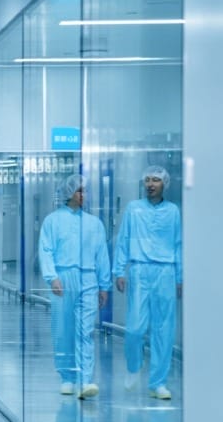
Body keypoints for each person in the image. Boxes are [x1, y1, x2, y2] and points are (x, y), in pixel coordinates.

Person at [38, 174, 111, 399]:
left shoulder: (94, 224)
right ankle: (67, 377)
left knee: (85, 331)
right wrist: (52, 277)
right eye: (80, 191)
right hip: (63, 277)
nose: (84, 195)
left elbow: (102, 255)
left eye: (85, 191)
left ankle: (85, 379)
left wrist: (104, 285)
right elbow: (45, 250)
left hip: (88, 279)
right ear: (69, 193)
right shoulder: (52, 221)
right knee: (63, 330)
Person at [113, 165, 182, 400]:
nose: (151, 184)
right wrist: (119, 271)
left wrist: (180, 277)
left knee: (164, 329)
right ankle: (134, 366)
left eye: (156, 180)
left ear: (165, 184)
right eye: (148, 180)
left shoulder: (173, 212)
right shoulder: (134, 209)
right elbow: (123, 240)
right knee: (134, 328)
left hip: (166, 272)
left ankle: (158, 383)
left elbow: (179, 244)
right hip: (140, 270)